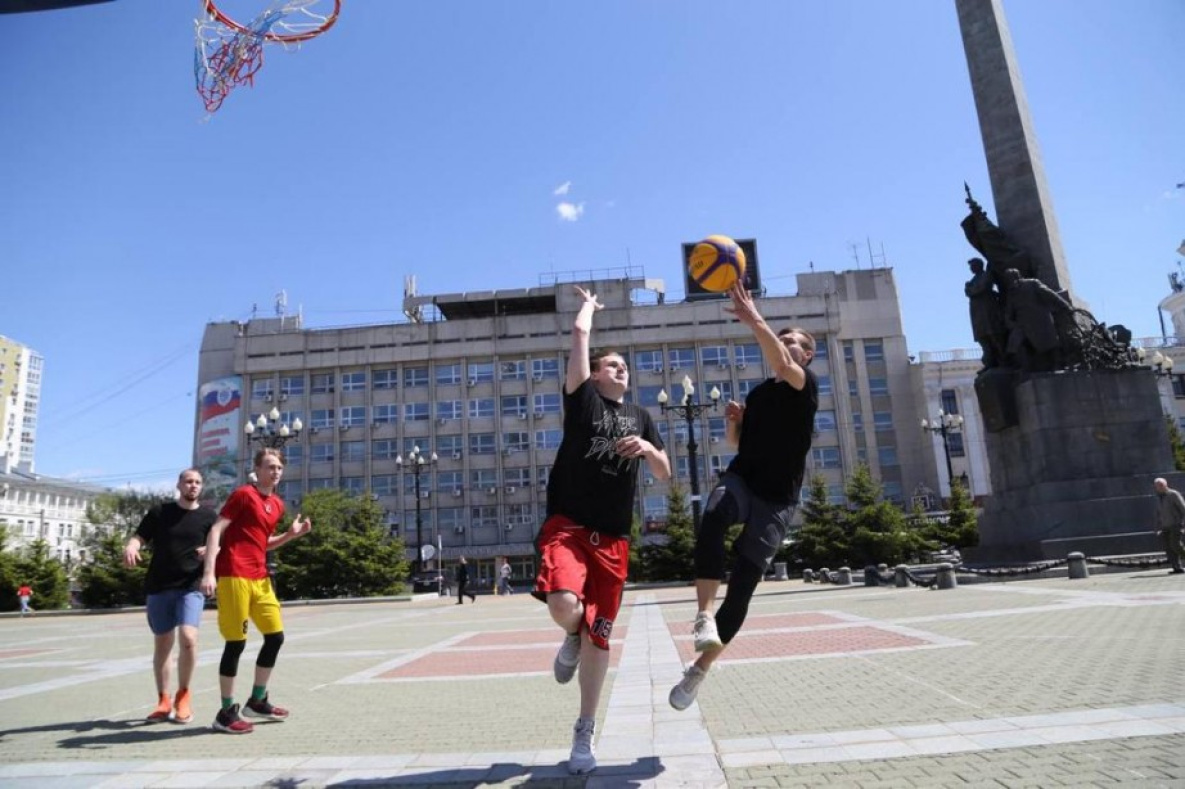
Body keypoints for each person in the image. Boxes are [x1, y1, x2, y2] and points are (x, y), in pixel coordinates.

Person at [532, 285, 670, 775]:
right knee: (566, 607)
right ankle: (571, 634)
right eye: (612, 365)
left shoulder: (642, 416)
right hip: (569, 525)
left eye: (625, 367)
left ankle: (584, 731)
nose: (621, 370)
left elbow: (665, 472)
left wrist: (649, 451)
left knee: (601, 636)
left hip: (613, 538)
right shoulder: (583, 400)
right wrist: (589, 308)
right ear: (592, 374)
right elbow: (579, 335)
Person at [669, 282, 818, 712]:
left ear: (806, 356)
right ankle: (702, 616)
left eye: (795, 343)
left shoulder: (804, 384)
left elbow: (780, 359)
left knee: (744, 590)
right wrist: (734, 422)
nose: (788, 346)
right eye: (784, 338)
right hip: (742, 480)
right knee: (714, 515)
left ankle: (699, 669)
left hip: (777, 500)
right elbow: (737, 446)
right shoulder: (759, 394)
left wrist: (754, 317)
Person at [200, 447, 312, 734]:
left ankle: (257, 700)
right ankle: (225, 712)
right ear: (258, 469)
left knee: (275, 638)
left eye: (279, 468)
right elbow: (216, 530)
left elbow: (263, 543)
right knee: (236, 644)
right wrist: (210, 572)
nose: (275, 472)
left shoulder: (277, 505)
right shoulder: (242, 495)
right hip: (234, 574)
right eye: (270, 467)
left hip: (260, 578)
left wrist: (290, 535)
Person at [124, 469, 217, 723]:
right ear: (179, 485)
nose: (193, 486)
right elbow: (139, 537)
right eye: (189, 481)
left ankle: (184, 695)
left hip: (191, 585)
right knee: (163, 643)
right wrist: (132, 546)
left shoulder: (209, 516)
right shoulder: (160, 512)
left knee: (188, 637)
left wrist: (211, 553)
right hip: (159, 585)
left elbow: (220, 544)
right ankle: (163, 700)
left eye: (198, 482)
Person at [1001, 267, 1072, 372]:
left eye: (1010, 278)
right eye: (1007, 279)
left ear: (1017, 276)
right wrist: (1010, 323)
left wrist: (1065, 305)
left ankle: (1058, 364)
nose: (1009, 281)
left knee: (1051, 343)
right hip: (1023, 324)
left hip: (1040, 318)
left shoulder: (1032, 284)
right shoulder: (1011, 293)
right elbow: (1008, 311)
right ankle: (1025, 367)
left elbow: (1049, 294)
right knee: (1015, 344)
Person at [965, 257, 1006, 368]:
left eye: (972, 266)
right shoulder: (973, 280)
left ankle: (1003, 360)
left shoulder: (986, 275)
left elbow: (980, 289)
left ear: (979, 266)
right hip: (977, 313)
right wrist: (969, 289)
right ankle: (990, 362)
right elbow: (970, 292)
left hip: (987, 310)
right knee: (983, 338)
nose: (971, 268)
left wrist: (969, 289)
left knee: (994, 336)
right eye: (970, 267)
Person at [1153, 477, 1185, 574]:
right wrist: (1157, 527)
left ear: (1165, 485)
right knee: (1169, 548)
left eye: (1160, 485)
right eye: (1157, 486)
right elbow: (1159, 513)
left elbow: (1183, 508)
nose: (1158, 488)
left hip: (1176, 525)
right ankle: (1177, 568)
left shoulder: (1173, 494)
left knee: (1175, 545)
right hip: (1164, 526)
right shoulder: (1158, 497)